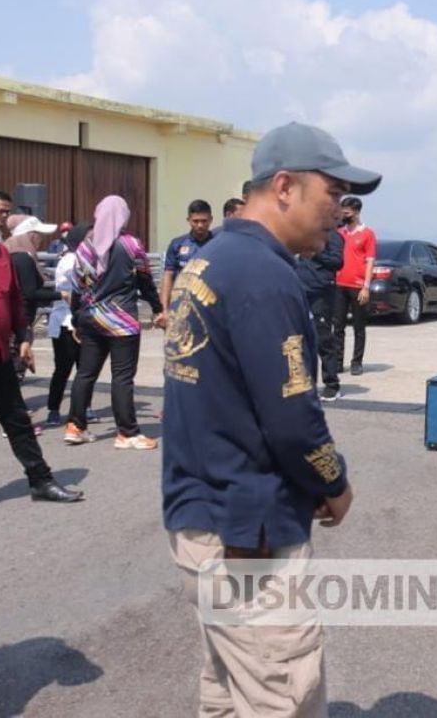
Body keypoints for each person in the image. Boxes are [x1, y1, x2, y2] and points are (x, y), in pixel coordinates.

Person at [163, 121, 379, 715]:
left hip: (202, 513)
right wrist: (333, 483)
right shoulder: (263, 274)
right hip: (247, 530)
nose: (339, 211)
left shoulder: (211, 261)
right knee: (281, 692)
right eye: (332, 193)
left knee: (228, 691)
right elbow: (291, 417)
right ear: (285, 186)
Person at [0, 189, 83, 516]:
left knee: (17, 421)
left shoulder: (0, 253)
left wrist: (24, 337)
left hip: (0, 354)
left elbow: (14, 299)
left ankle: (41, 481)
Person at [64, 195, 165, 450]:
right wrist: (157, 308)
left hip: (90, 318)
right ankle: (127, 433)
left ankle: (76, 426)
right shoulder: (131, 245)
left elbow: (77, 288)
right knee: (122, 377)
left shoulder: (85, 247)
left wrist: (76, 319)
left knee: (86, 373)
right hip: (121, 320)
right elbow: (145, 281)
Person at [5, 216, 61, 398]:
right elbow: (30, 292)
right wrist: (62, 295)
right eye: (38, 234)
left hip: (12, 317)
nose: (41, 239)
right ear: (29, 235)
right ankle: (11, 406)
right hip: (20, 318)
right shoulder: (23, 258)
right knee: (17, 362)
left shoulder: (9, 252)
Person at [44, 223, 93, 427]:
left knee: (86, 368)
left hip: (84, 320)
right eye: (89, 237)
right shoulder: (70, 260)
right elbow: (71, 290)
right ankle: (53, 409)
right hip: (66, 321)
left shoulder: (88, 258)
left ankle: (84, 408)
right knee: (63, 368)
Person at [296, 224, 345, 401]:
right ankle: (306, 383)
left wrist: (316, 252)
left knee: (322, 338)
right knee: (301, 340)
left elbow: (338, 262)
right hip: (301, 290)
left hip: (320, 292)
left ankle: (332, 384)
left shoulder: (333, 236)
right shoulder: (305, 232)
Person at [331, 196, 375, 377]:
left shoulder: (367, 234)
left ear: (356, 212)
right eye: (342, 212)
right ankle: (338, 362)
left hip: (357, 286)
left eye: (347, 212)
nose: (344, 215)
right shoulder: (339, 233)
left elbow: (370, 262)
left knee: (359, 326)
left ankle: (356, 362)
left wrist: (366, 287)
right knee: (338, 326)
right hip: (339, 285)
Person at [159, 199, 214, 323]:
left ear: (211, 220)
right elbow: (168, 276)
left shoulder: (218, 244)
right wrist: (164, 310)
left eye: (204, 221)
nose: (200, 225)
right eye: (196, 221)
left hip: (210, 306)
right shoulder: (177, 244)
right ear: (188, 220)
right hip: (181, 306)